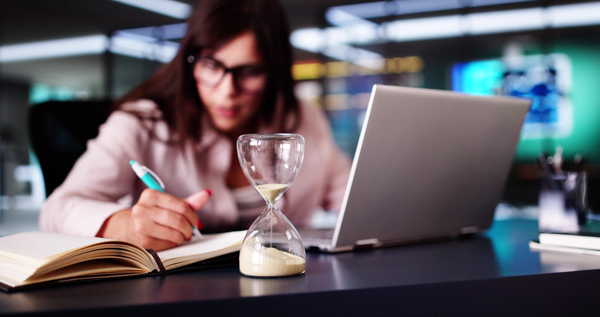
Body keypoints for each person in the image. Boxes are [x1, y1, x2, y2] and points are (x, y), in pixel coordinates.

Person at [39, 0, 351, 251]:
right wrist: (127, 224)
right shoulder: (143, 123)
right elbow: (57, 209)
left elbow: (352, 195)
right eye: (212, 65)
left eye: (249, 71)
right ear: (191, 61)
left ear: (275, 73)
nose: (227, 90)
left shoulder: (302, 120)